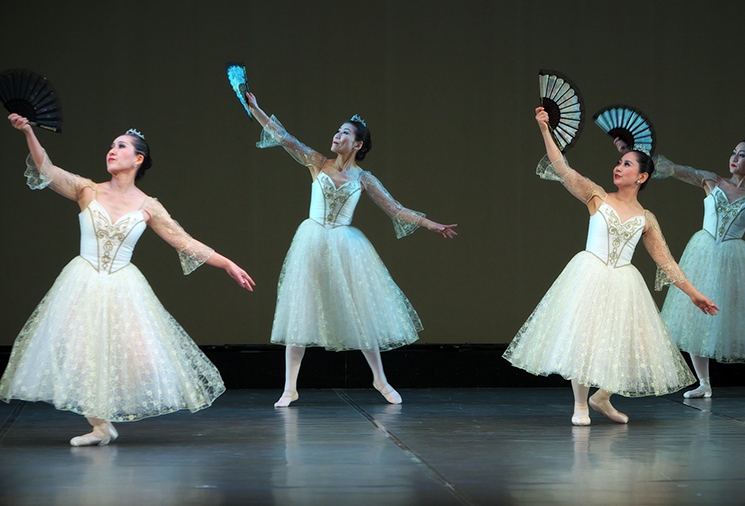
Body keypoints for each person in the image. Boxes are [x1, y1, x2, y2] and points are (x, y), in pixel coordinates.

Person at [0, 113, 255, 446]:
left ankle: (105, 418)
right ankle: (100, 426)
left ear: (138, 159)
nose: (112, 150)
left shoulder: (149, 206)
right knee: (78, 354)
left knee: (142, 359)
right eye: (111, 146)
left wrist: (227, 264)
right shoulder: (87, 189)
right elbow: (46, 169)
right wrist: (28, 132)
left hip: (123, 285)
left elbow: (185, 241)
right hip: (83, 280)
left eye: (121, 146)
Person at [504, 107, 719, 426]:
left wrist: (694, 294)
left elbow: (666, 261)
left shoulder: (646, 219)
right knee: (584, 338)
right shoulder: (597, 196)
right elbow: (562, 168)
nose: (618, 167)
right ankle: (580, 405)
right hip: (590, 273)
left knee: (630, 345)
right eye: (619, 162)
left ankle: (602, 397)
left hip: (624, 282)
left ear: (642, 176)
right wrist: (545, 130)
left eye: (627, 164)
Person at [245, 92, 456, 408]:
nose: (337, 135)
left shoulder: (364, 179)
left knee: (361, 311)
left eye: (345, 133)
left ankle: (380, 380)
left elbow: (395, 209)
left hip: (345, 247)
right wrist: (257, 109)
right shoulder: (318, 163)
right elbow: (285, 138)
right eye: (337, 130)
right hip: (311, 242)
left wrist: (431, 224)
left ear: (357, 144)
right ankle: (289, 388)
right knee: (300, 309)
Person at [651, 136, 745, 398]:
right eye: (733, 152)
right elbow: (671, 168)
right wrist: (634, 152)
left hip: (735, 258)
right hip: (703, 252)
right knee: (695, 314)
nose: (734, 158)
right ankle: (704, 383)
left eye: (742, 155)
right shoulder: (711, 180)